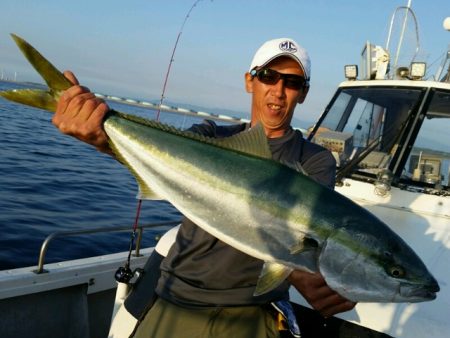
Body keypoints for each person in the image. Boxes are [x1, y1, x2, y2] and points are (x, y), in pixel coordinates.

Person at [53, 37, 356, 338]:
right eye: (268, 76)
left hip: (249, 311)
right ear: (250, 81)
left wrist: (310, 274)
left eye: (291, 82)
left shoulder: (314, 161)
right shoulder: (210, 136)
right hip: (173, 296)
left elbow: (300, 236)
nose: (278, 90)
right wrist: (102, 134)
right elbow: (161, 159)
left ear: (303, 93)